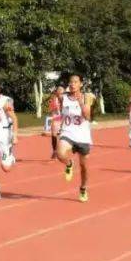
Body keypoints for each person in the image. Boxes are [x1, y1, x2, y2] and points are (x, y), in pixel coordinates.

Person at [54, 74, 95, 202]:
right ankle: (69, 163)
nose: (72, 84)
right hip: (68, 132)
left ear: (81, 84)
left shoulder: (86, 98)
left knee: (84, 167)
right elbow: (57, 93)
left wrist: (80, 102)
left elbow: (87, 117)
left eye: (76, 82)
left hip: (83, 137)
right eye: (71, 82)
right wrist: (59, 91)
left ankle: (83, 188)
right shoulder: (64, 98)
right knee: (60, 153)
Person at [44, 85, 65, 159]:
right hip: (56, 119)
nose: (61, 93)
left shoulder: (66, 100)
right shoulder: (54, 100)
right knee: (54, 135)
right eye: (59, 91)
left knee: (64, 136)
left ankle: (62, 151)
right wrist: (55, 107)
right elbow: (51, 111)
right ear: (57, 92)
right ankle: (55, 151)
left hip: (64, 119)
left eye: (62, 92)